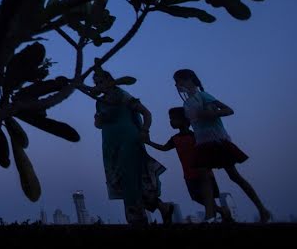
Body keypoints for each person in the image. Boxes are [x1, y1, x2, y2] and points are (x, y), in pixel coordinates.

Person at [173, 68, 271, 223]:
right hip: (202, 143)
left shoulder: (203, 96)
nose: (178, 84)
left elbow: (228, 110)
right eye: (176, 81)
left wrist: (213, 113)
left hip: (217, 140)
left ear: (190, 79)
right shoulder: (188, 102)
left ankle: (262, 210)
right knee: (204, 176)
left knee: (234, 176)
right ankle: (209, 215)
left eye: (180, 80)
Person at [85, 69, 173, 224]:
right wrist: (98, 121)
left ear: (110, 80)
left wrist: (145, 130)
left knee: (131, 177)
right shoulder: (100, 102)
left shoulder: (122, 96)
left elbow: (146, 113)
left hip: (129, 141)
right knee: (122, 179)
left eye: (102, 81)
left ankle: (136, 218)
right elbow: (98, 124)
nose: (99, 85)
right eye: (96, 83)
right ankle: (162, 207)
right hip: (111, 144)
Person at [145, 107, 233, 222]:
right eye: (170, 119)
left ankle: (216, 215)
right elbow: (164, 148)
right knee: (197, 197)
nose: (171, 122)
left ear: (184, 120)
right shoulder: (175, 138)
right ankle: (222, 211)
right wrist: (149, 142)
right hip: (189, 174)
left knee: (208, 196)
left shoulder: (195, 135)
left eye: (173, 119)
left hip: (203, 172)